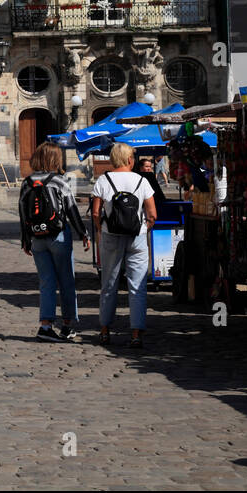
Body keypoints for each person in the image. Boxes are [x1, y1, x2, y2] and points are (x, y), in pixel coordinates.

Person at [20, 142, 89, 342]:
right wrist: (83, 233)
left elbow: (23, 213)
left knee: (46, 282)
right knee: (66, 281)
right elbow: (71, 209)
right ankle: (67, 326)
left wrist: (26, 240)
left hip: (37, 237)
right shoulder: (60, 181)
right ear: (55, 159)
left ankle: (46, 326)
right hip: (58, 235)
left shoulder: (27, 182)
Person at [91, 143, 156, 348]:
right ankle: (136, 333)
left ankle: (104, 330)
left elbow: (95, 212)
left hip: (111, 236)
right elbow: (152, 213)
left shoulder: (104, 180)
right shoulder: (141, 180)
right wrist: (145, 227)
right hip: (136, 236)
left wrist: (101, 230)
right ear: (130, 160)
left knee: (108, 284)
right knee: (137, 286)